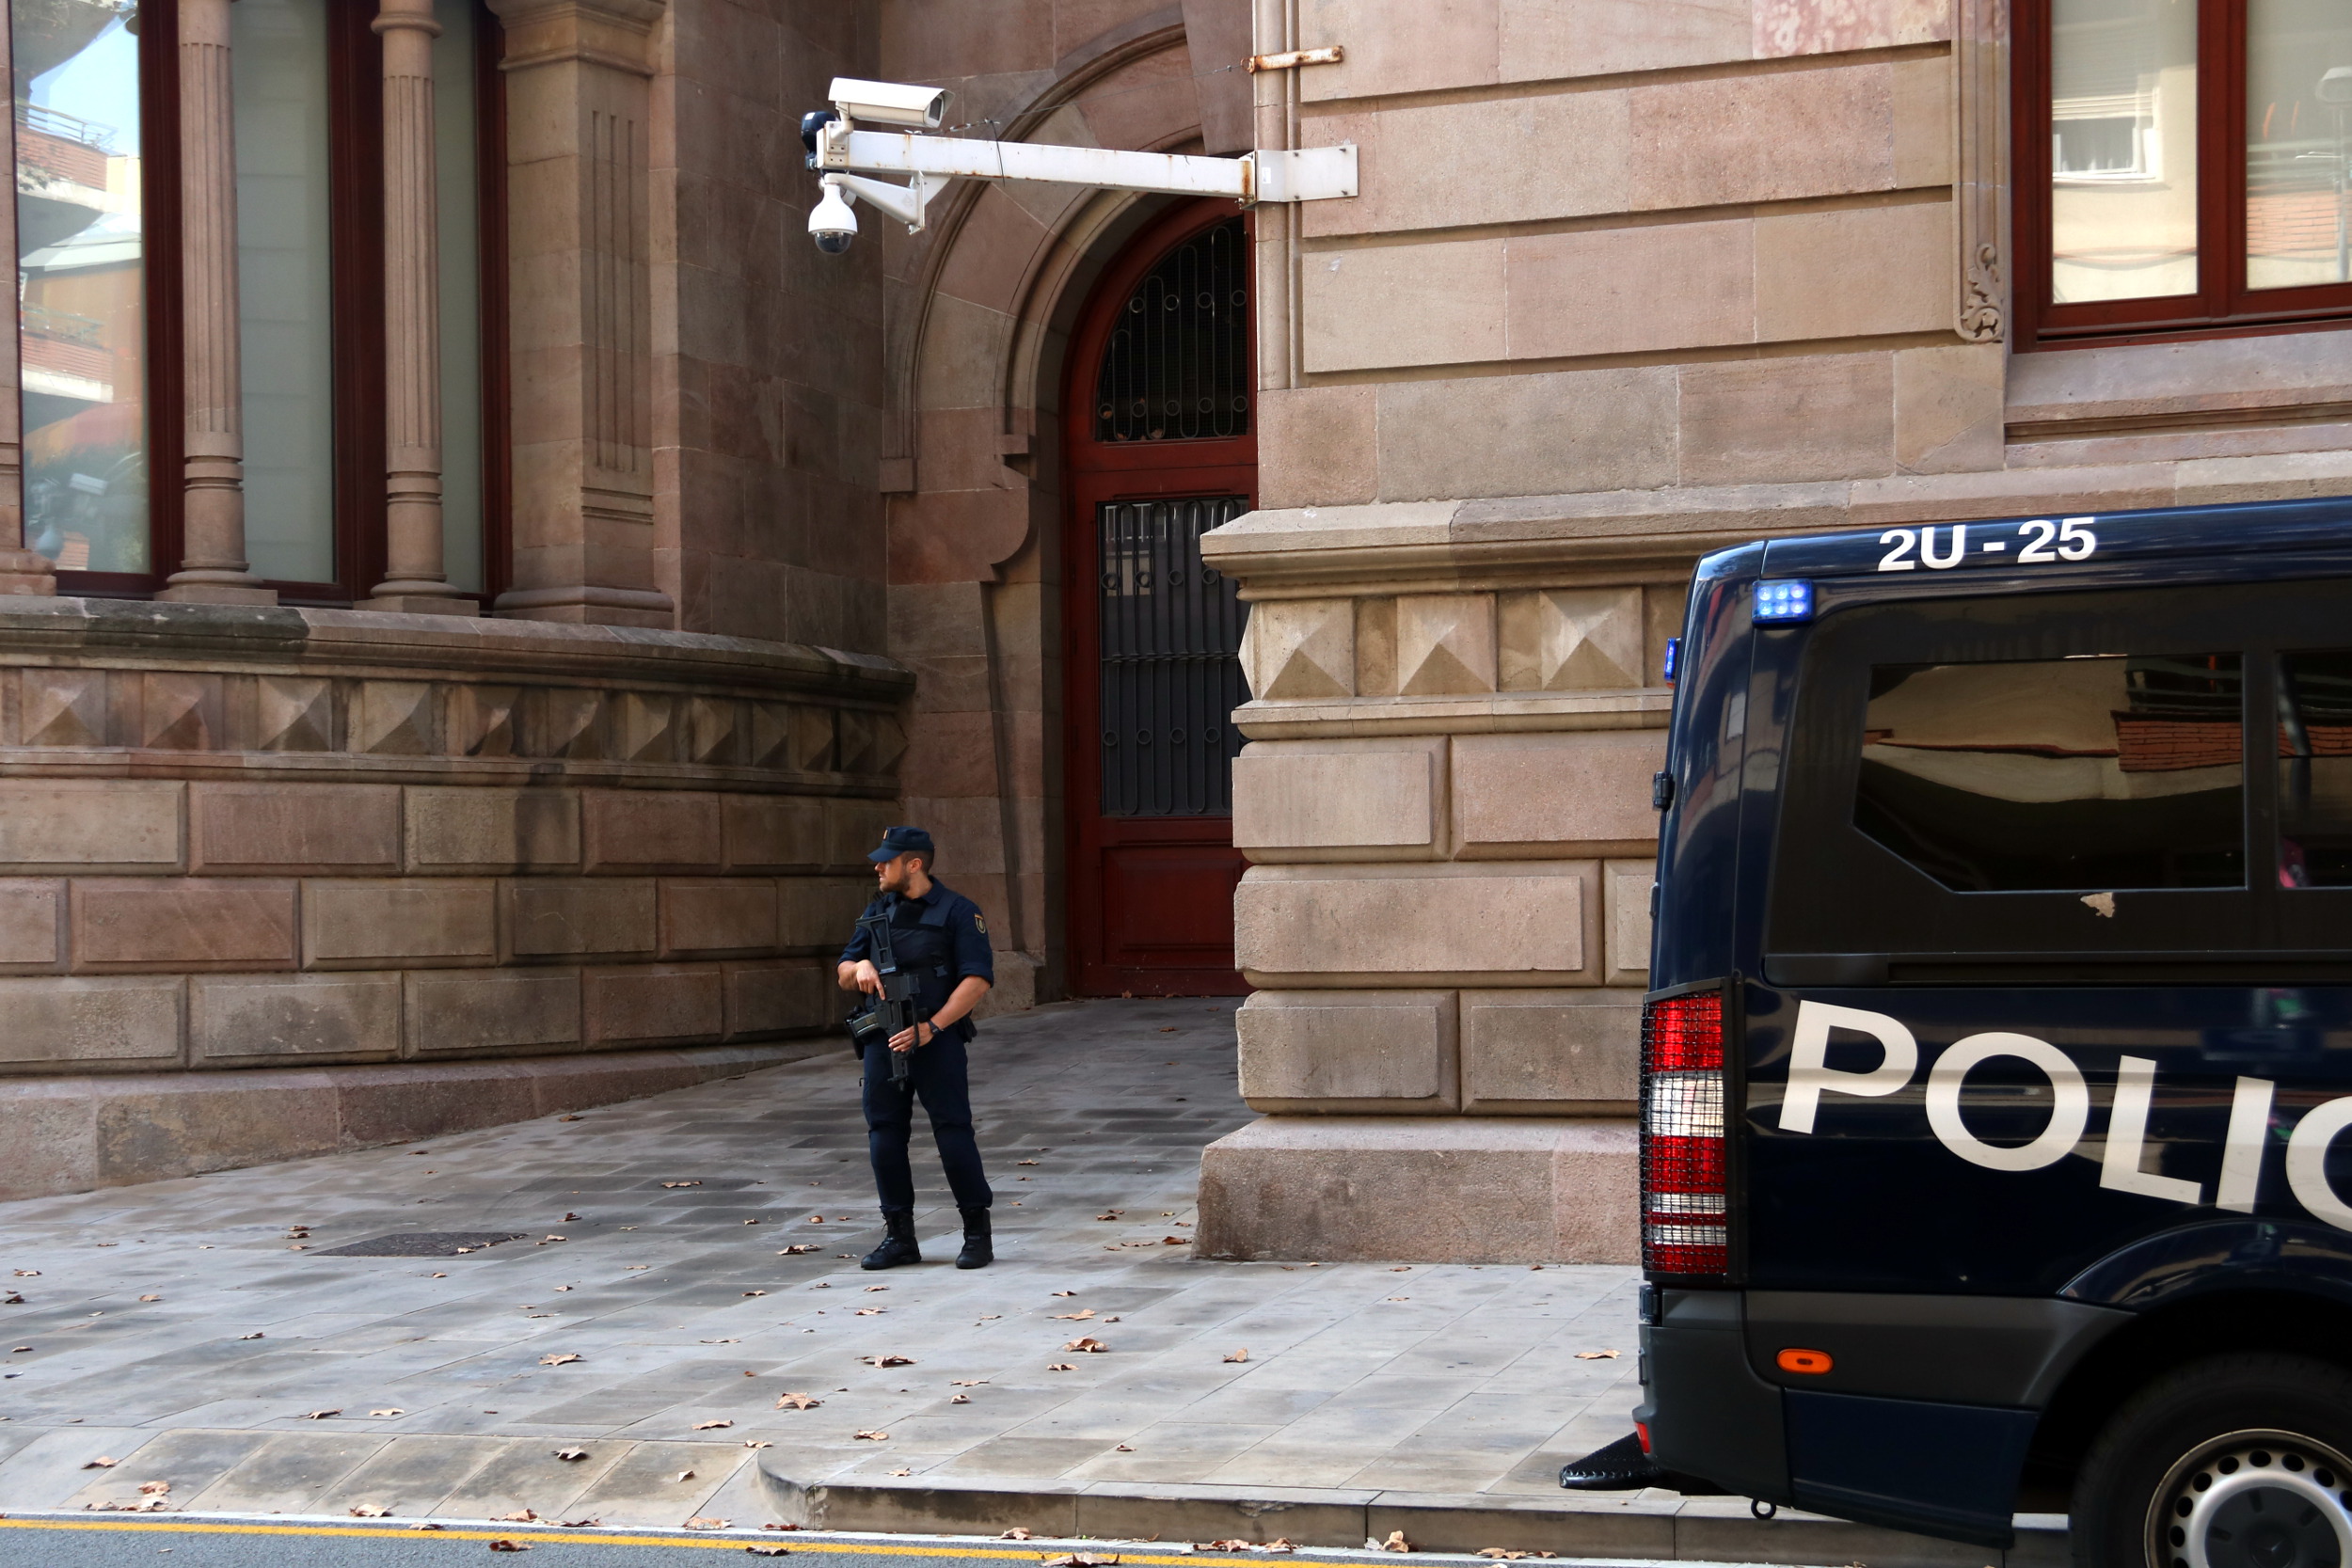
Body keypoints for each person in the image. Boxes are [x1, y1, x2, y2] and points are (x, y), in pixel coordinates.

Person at [835, 825, 995, 1269]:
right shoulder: (876, 911)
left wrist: (933, 1028)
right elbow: (843, 970)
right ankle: (899, 1236)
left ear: (914, 864)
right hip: (882, 1038)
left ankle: (976, 1233)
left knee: (952, 1131)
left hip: (936, 1040)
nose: (877, 866)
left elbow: (977, 980)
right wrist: (861, 965)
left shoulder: (958, 911)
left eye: (886, 860)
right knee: (884, 1134)